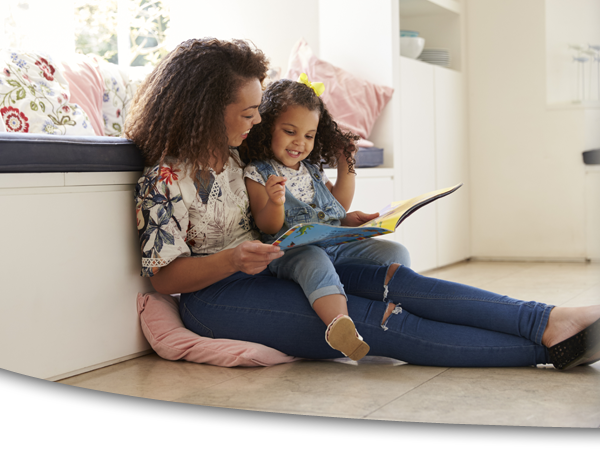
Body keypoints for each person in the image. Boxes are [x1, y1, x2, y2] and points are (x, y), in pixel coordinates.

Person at [125, 37, 600, 371]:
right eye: (248, 112)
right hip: (219, 299)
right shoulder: (163, 179)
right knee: (377, 322)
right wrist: (232, 259)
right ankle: (547, 349)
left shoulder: (239, 158)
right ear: (208, 110)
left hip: (275, 264)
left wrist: (339, 222)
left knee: (400, 281)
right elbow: (164, 275)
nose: (256, 120)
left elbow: (293, 189)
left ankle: (548, 320)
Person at [241, 76, 411, 361]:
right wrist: (274, 201)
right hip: (292, 252)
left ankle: (394, 304)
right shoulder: (259, 172)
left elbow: (337, 206)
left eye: (309, 136)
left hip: (335, 243)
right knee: (314, 260)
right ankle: (340, 326)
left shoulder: (311, 170)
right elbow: (266, 226)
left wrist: (347, 170)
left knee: (395, 251)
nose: (300, 142)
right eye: (290, 131)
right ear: (268, 127)